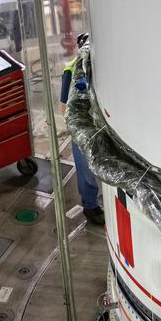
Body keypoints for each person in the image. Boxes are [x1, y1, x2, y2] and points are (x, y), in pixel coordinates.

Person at [59, 33, 104, 226]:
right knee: (86, 170)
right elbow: (64, 107)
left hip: (101, 123)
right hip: (84, 128)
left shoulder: (101, 66)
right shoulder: (72, 69)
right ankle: (90, 206)